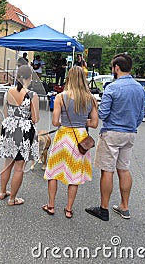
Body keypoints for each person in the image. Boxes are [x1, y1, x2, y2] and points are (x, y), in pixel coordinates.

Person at [86, 53, 145, 221]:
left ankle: (103, 209)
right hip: (130, 133)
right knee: (124, 169)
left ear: (116, 68)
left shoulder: (112, 88)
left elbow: (103, 114)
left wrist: (94, 106)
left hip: (112, 133)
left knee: (108, 171)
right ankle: (124, 207)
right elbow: (141, 115)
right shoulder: (139, 88)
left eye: (113, 68)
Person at [43, 66, 98, 218]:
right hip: (80, 137)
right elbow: (94, 124)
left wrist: (67, 120)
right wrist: (80, 122)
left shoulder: (61, 97)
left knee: (53, 172)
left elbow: (55, 122)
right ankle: (68, 209)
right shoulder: (91, 99)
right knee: (74, 176)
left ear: (69, 78)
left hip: (63, 136)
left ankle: (51, 205)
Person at [0, 65, 39, 206]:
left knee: (7, 163)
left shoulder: (8, 92)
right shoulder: (32, 95)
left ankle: (3, 191)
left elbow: (5, 112)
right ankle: (12, 199)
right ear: (30, 77)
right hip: (24, 131)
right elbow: (35, 119)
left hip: (9, 128)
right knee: (19, 167)